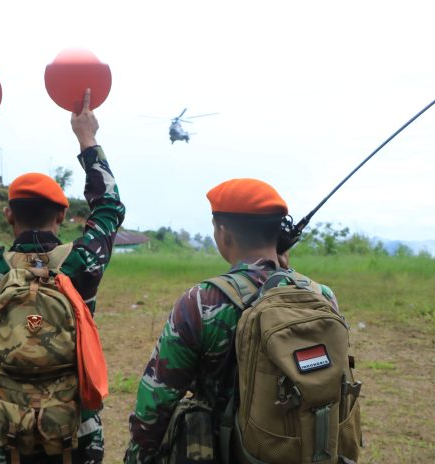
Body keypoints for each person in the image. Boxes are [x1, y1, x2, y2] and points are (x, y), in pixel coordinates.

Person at [0, 89, 125, 464]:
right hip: (77, 427)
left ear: (9, 215)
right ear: (61, 216)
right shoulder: (81, 264)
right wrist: (87, 139)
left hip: (10, 429)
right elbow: (109, 206)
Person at [123, 178, 339, 464]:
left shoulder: (201, 301)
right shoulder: (321, 295)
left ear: (223, 233)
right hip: (309, 450)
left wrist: (137, 456)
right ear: (278, 233)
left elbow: (157, 401)